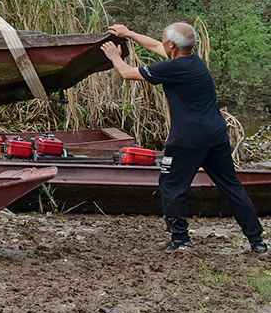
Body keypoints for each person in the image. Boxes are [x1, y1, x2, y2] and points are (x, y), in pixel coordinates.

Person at [101, 22, 266, 254]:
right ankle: (257, 240)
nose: (162, 44)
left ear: (173, 46)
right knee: (231, 186)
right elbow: (157, 45)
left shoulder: (172, 69)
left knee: (171, 185)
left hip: (188, 138)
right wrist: (129, 34)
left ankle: (180, 240)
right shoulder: (193, 62)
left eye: (165, 42)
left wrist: (113, 57)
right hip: (216, 134)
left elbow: (127, 73)